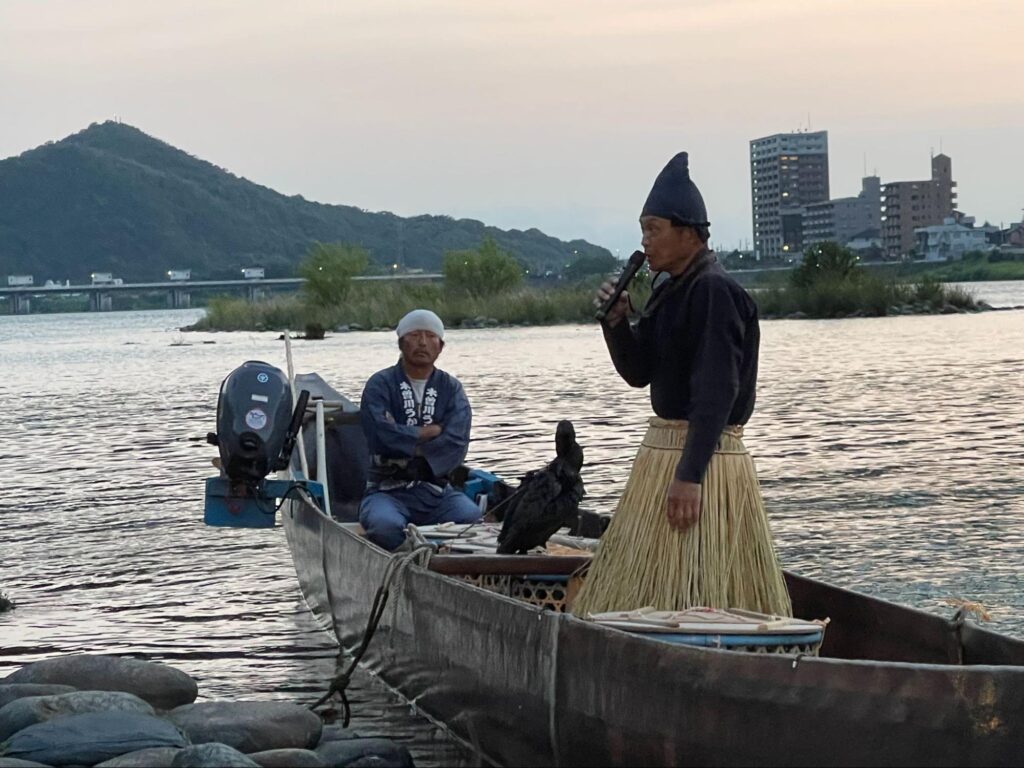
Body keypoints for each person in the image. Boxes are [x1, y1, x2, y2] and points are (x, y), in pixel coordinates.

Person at [572, 152, 792, 617]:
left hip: (705, 461)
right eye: (642, 230)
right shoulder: (670, 289)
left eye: (654, 229)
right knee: (655, 587)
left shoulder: (713, 291)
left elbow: (717, 391)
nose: (645, 241)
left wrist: (690, 476)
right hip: (666, 451)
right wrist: (616, 324)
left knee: (703, 586)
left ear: (689, 233)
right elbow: (639, 373)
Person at [358, 309, 481, 550]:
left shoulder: (451, 388)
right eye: (415, 335)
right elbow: (380, 434)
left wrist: (403, 437)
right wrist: (426, 433)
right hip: (386, 491)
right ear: (401, 343)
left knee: (471, 519)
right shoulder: (380, 384)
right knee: (385, 526)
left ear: (440, 346)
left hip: (437, 492)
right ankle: (408, 559)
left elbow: (456, 442)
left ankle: (441, 561)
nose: (423, 342)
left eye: (430, 336)